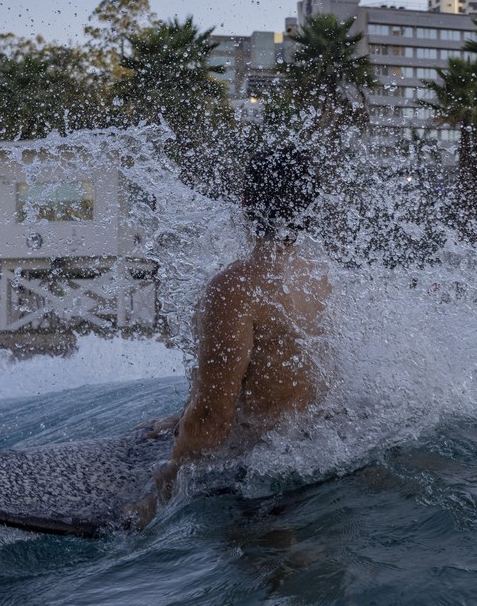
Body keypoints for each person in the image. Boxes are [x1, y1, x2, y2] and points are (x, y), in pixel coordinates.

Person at [126, 144, 331, 527]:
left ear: (245, 201)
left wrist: (162, 486)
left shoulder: (234, 290)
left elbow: (211, 420)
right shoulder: (319, 273)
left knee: (266, 571)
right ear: (311, 205)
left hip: (260, 479)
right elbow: (282, 380)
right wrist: (180, 417)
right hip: (316, 454)